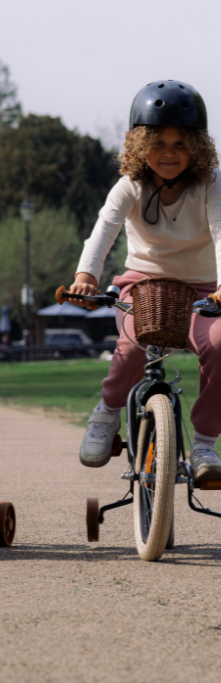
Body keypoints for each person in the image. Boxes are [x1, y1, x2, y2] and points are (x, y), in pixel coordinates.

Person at [68, 81, 221, 482]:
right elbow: (104, 230)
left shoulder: (211, 185)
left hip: (204, 290)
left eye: (180, 144)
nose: (168, 154)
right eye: (158, 143)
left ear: (197, 147)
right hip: (144, 286)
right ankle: (107, 413)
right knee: (133, 340)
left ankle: (205, 443)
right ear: (139, 145)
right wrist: (86, 275)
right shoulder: (130, 185)